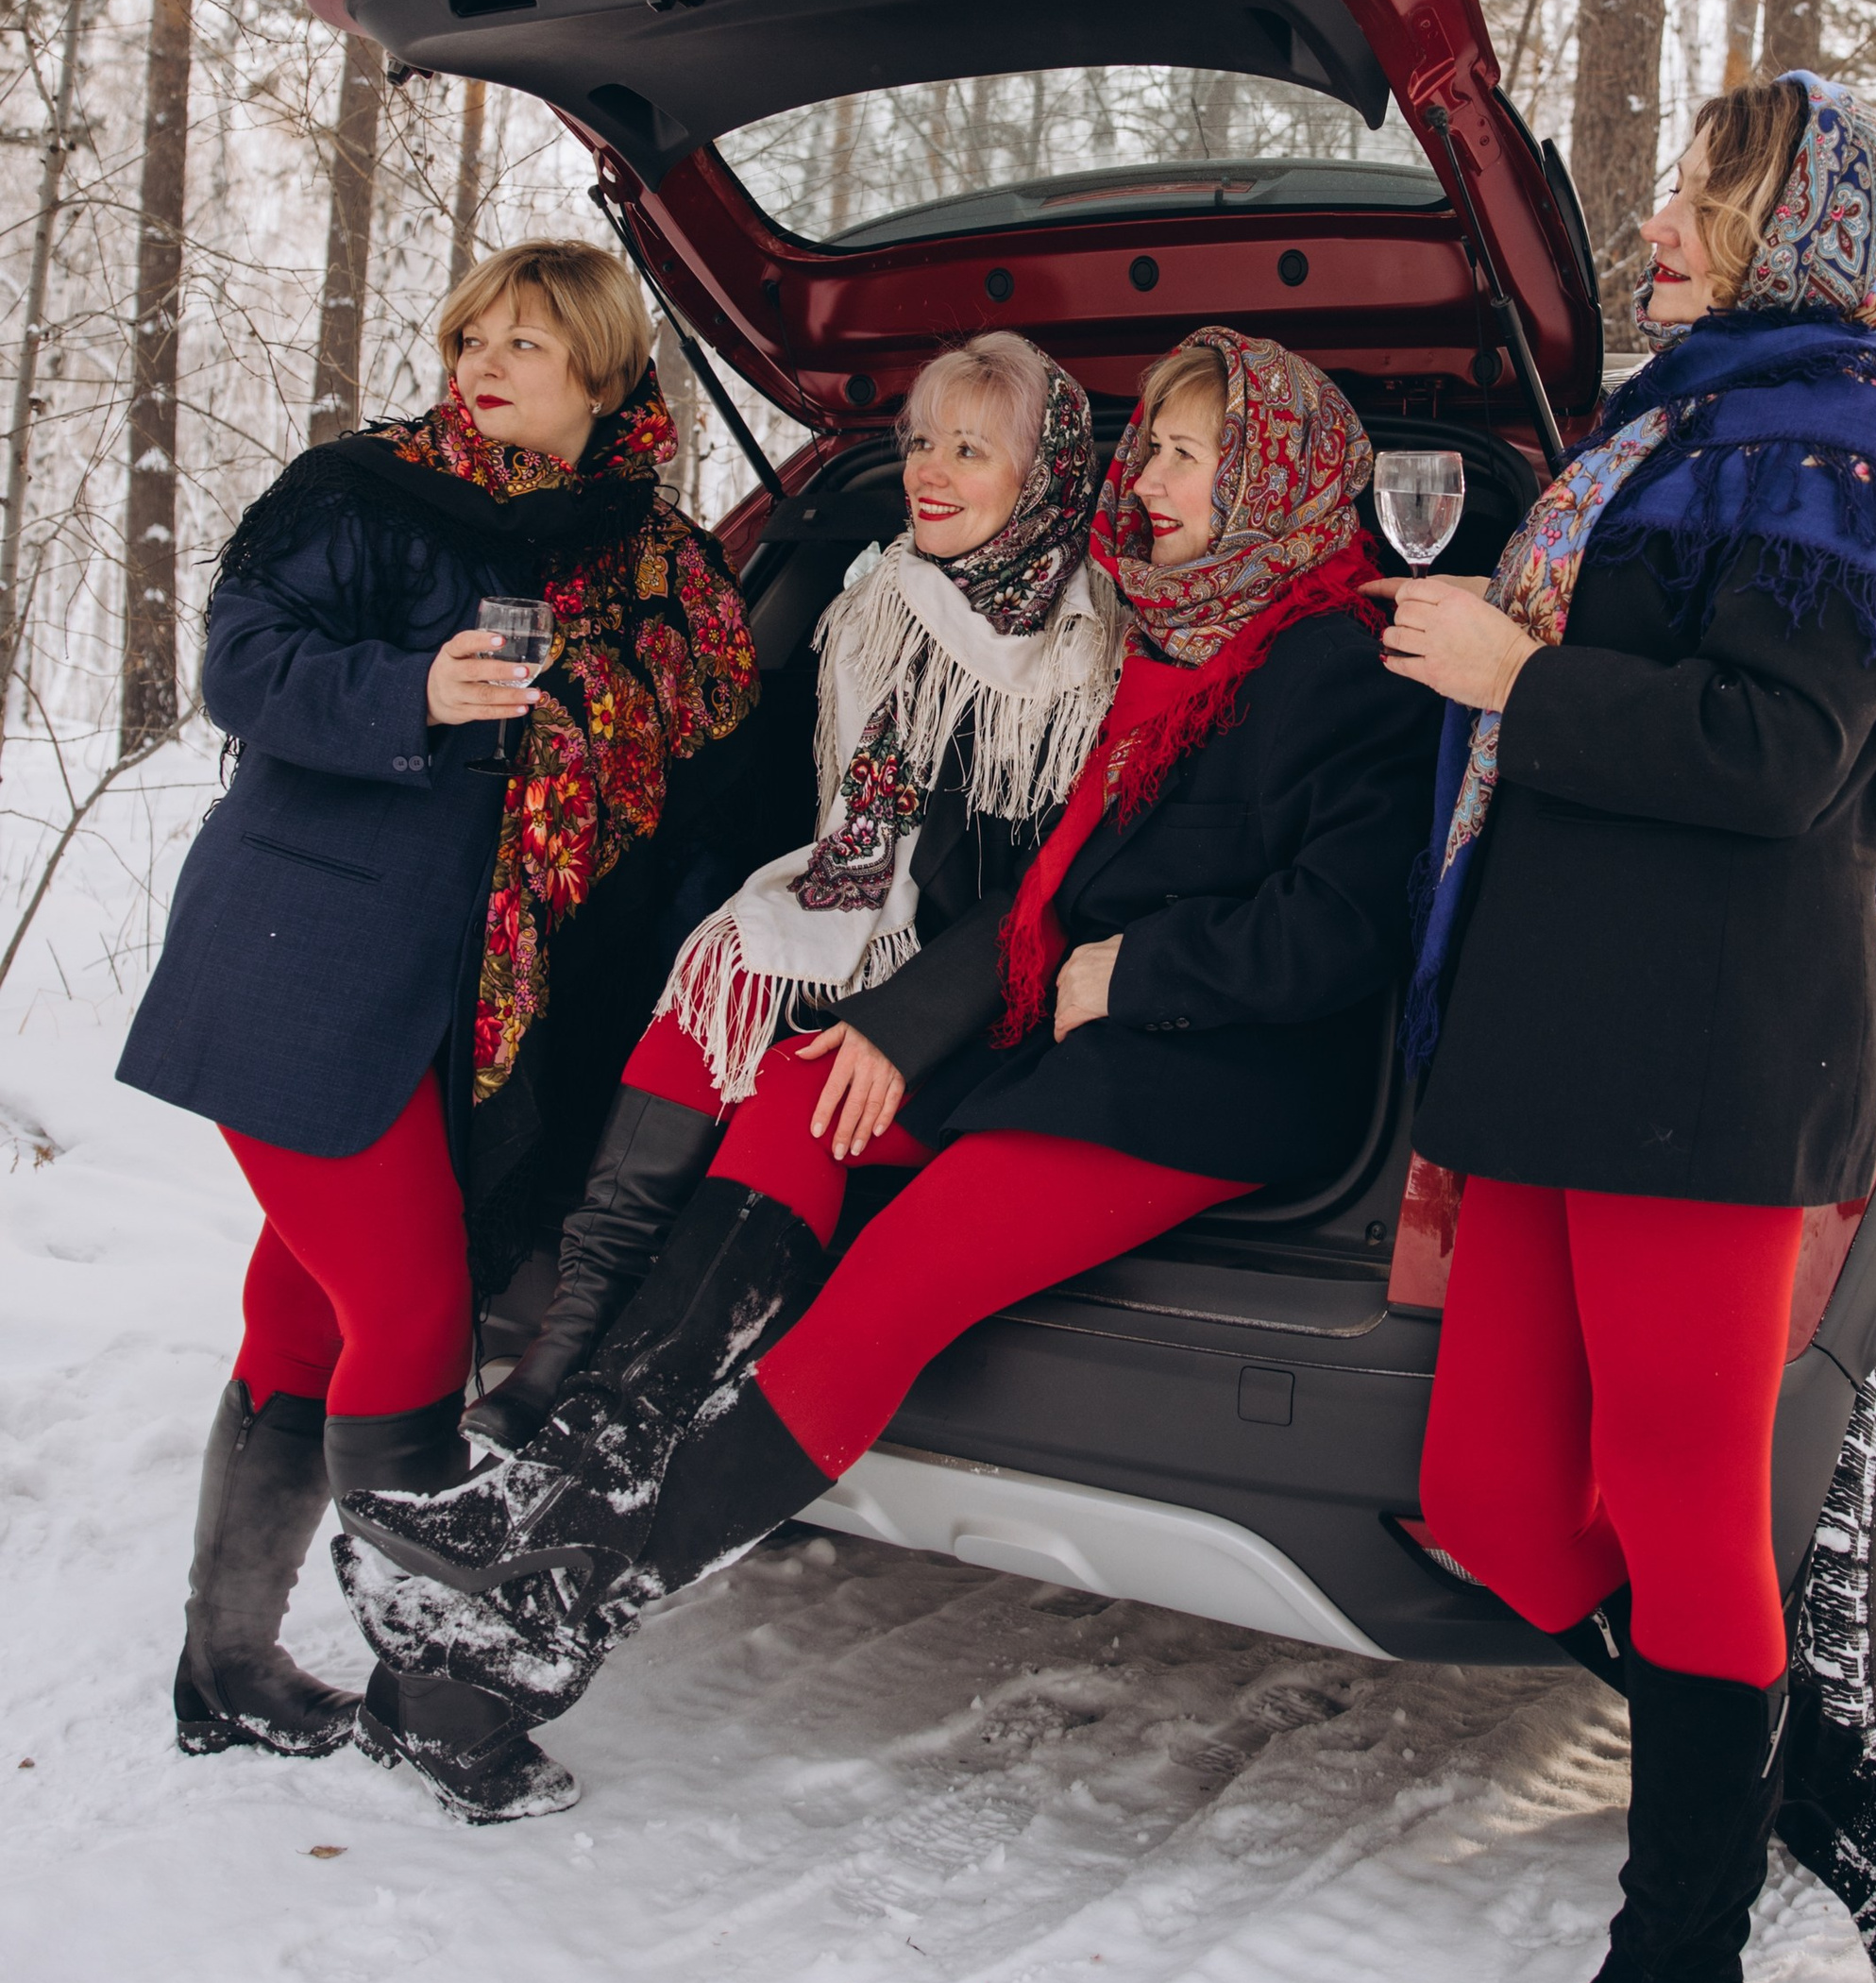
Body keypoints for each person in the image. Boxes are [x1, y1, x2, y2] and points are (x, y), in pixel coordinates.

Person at [330, 326, 1437, 1814]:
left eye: (1185, 452)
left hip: (1209, 1081)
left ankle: (561, 1590)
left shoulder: (1344, 658)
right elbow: (1044, 883)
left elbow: (1346, 926)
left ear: (1276, 478)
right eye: (1153, 445)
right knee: (798, 1088)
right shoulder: (1170, 639)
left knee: (892, 1288)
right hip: (1071, 1043)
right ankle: (583, 1458)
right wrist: (905, 1024)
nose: (1149, 476)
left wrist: (1128, 972)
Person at [1376, 75, 1876, 1983]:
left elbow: (1772, 752)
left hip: (1708, 1044)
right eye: (1669, 191)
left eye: (1703, 198)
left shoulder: (1842, 443)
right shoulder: (1684, 420)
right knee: (1491, 1494)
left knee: (1680, 1517)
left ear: (1799, 233)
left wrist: (1511, 674)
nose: (1657, 226)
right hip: (1573, 1033)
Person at [119, 241, 760, 1817]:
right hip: (298, 962)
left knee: (306, 1318)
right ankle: (433, 1692)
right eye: (474, 334)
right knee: (409, 1315)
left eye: (529, 345)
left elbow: (714, 703)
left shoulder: (642, 551)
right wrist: (414, 693)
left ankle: (226, 1668)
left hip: (466, 1001)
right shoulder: (365, 495)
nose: (484, 362)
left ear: (602, 378)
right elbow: (243, 669)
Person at [464, 330, 1118, 1455]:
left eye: (969, 449)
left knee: (780, 1067)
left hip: (980, 995)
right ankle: (566, 1343)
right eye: (920, 442)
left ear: (1043, 477)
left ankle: (636, 1383)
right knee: (709, 984)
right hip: (855, 921)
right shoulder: (874, 605)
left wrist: (895, 1022)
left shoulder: (1089, 655)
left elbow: (1050, 896)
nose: (926, 471)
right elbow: (764, 772)